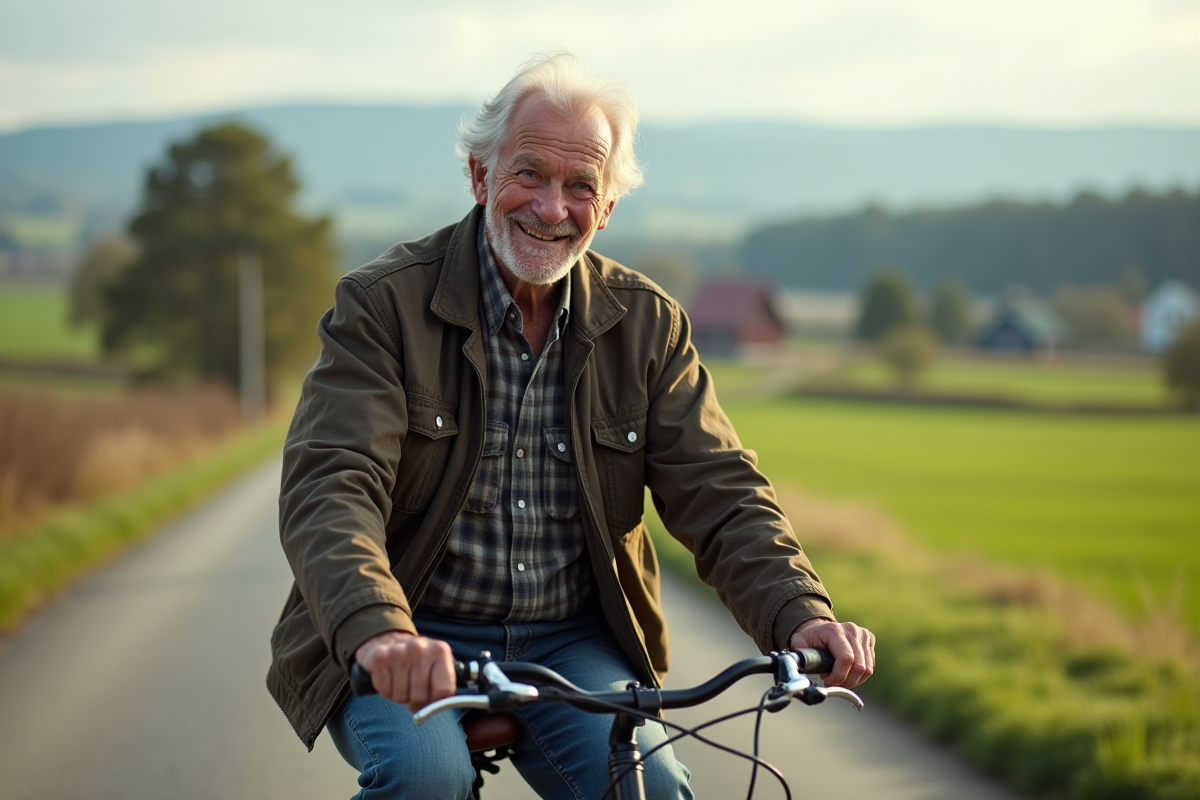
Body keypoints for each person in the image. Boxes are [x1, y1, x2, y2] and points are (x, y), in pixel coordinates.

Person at [268, 52, 875, 800]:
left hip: (572, 640)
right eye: (529, 174)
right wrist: (378, 627)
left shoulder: (648, 324)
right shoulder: (381, 306)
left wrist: (799, 614)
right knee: (426, 779)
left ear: (609, 206)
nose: (552, 209)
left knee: (648, 787)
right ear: (480, 177)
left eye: (581, 185)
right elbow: (332, 488)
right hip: (412, 628)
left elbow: (722, 493)